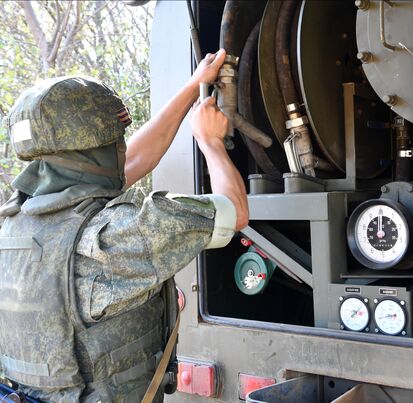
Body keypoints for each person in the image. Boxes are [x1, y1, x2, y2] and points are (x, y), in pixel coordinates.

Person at [0, 49, 248, 402]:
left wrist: (194, 86)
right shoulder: (117, 237)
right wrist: (211, 143)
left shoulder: (16, 223)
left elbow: (132, 160)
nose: (121, 148)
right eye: (116, 140)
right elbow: (235, 211)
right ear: (102, 146)